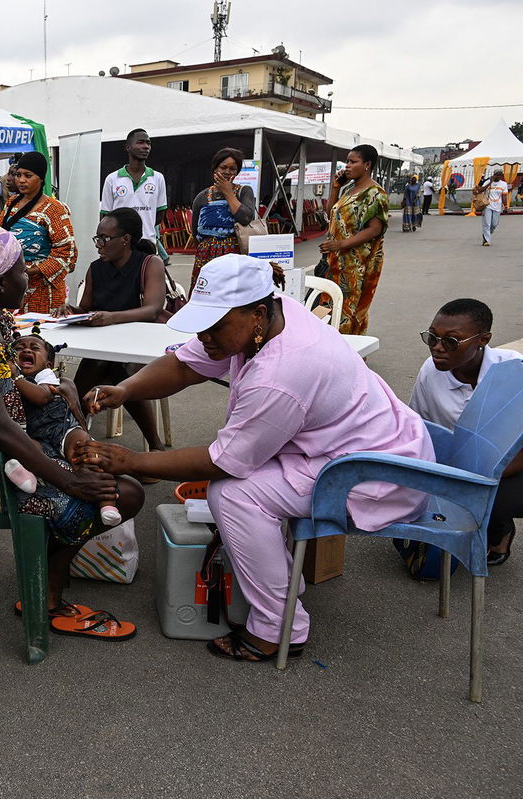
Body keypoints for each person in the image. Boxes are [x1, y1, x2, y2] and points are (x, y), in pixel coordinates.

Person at [77, 254, 434, 661]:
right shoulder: (265, 318)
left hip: (375, 474)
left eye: (214, 326)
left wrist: (131, 462)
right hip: (360, 443)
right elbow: (185, 364)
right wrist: (127, 389)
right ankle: (277, 585)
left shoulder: (283, 372)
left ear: (258, 314)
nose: (205, 336)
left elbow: (222, 462)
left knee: (233, 495)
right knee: (241, 484)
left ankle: (278, 628)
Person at [0, 224, 143, 640]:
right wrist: (66, 476)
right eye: (21, 270)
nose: (28, 277)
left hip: (14, 454)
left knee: (122, 488)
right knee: (110, 495)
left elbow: (20, 402)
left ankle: (45, 587)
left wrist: (72, 433)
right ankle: (46, 596)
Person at [408, 299, 522, 565]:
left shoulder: (514, 370)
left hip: (512, 466)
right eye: (432, 337)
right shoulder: (430, 371)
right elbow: (418, 425)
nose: (437, 347)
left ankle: (500, 525)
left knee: (492, 498)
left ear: (483, 339)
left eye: (451, 341)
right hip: (458, 464)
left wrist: (487, 473)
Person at [60, 208, 168, 452]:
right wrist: (69, 310)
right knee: (101, 365)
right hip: (104, 345)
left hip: (141, 344)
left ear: (126, 239)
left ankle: (153, 445)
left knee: (120, 368)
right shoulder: (96, 268)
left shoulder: (150, 263)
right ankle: (76, 440)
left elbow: (152, 309)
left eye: (104, 239)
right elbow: (85, 308)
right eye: (97, 238)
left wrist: (111, 318)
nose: (99, 244)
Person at [7, 330, 131, 527]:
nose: (26, 350)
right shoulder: (8, 379)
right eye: (19, 348)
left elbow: (41, 397)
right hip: (37, 435)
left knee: (88, 453)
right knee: (31, 450)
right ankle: (27, 477)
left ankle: (107, 504)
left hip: (62, 427)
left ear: (48, 364)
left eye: (34, 348)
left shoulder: (44, 376)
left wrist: (17, 377)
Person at [0, 150, 78, 313]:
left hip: (43, 291)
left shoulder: (54, 209)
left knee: (39, 335)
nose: (21, 180)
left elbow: (66, 253)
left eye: (28, 175)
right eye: (18, 175)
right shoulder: (12, 203)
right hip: (12, 286)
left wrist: (28, 270)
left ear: (40, 178)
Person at [320, 145, 388, 335]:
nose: (347, 166)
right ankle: (331, 346)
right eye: (347, 161)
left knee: (350, 309)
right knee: (329, 302)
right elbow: (331, 214)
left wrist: (340, 244)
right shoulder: (349, 189)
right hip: (336, 259)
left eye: (353, 161)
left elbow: (375, 229)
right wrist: (335, 188)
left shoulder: (376, 193)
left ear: (367, 165)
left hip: (358, 263)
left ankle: (350, 351)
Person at [189, 147, 257, 286]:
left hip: (235, 255)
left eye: (232, 168)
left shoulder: (244, 192)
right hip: (206, 256)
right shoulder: (202, 197)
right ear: (215, 169)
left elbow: (245, 218)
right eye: (223, 167)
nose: (227, 172)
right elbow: (195, 232)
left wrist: (228, 193)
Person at [100, 128, 168, 258]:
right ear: (128, 147)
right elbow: (105, 216)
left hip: (147, 243)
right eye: (141, 142)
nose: (146, 147)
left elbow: (159, 215)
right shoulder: (112, 179)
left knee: (145, 277)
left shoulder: (157, 178)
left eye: (148, 143)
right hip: (119, 245)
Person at [476, 169, 509, 246]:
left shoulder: (503, 184)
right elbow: (480, 190)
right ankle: (487, 240)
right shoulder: (488, 182)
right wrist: (490, 182)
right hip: (487, 205)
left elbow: (504, 196)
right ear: (494, 175)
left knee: (494, 224)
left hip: (497, 206)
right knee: (487, 223)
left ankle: (486, 234)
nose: (498, 176)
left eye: (500, 175)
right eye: (497, 175)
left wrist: (506, 206)